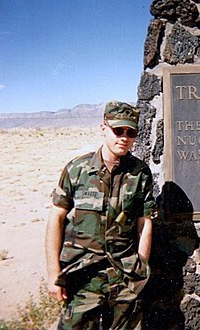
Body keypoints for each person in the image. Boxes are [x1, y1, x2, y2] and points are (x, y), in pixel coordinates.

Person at [45, 101, 156, 329]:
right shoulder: (77, 170)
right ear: (103, 128)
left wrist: (141, 268)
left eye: (131, 132)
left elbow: (144, 223)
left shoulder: (140, 173)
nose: (124, 137)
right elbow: (55, 219)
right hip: (82, 274)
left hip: (125, 275)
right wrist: (53, 275)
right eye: (118, 130)